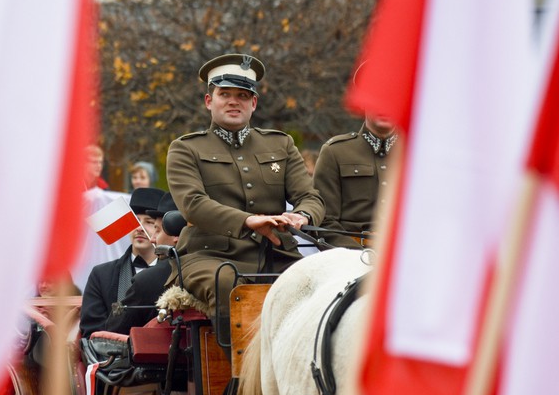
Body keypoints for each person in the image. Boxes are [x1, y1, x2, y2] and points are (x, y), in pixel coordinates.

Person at [164, 53, 325, 340]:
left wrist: (303, 215)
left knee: (320, 281)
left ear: (253, 103)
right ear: (208, 101)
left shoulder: (280, 144)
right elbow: (193, 205)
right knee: (227, 282)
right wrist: (249, 220)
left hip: (276, 252)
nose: (233, 101)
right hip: (209, 255)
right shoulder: (185, 149)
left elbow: (310, 196)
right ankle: (238, 379)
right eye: (224, 94)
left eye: (242, 95)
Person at [80, 187, 164, 338]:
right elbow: (91, 331)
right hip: (114, 357)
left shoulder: (174, 273)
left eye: (149, 222)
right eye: (135, 220)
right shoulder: (101, 275)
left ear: (160, 229)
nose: (139, 228)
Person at [312, 112, 397, 248]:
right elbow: (324, 220)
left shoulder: (419, 152)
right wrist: (355, 257)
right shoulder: (336, 151)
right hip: (350, 258)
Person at [104, 192, 184, 334]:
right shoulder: (217, 268)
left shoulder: (148, 281)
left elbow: (114, 331)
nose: (153, 238)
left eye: (157, 230)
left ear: (176, 236)